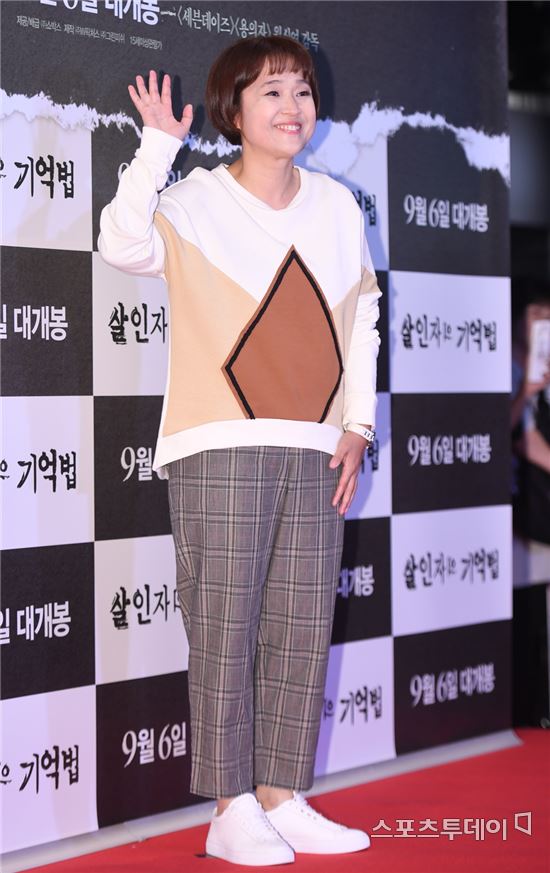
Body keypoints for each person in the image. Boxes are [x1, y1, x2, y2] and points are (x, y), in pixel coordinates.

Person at [98, 35, 382, 867]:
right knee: (225, 626)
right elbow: (120, 244)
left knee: (301, 624)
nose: (293, 107)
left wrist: (358, 424)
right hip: (218, 439)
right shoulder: (195, 201)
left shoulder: (337, 206)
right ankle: (230, 808)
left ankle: (282, 797)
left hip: (316, 444)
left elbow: (363, 315)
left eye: (302, 91)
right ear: (234, 109)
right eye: (272, 92)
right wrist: (157, 147)